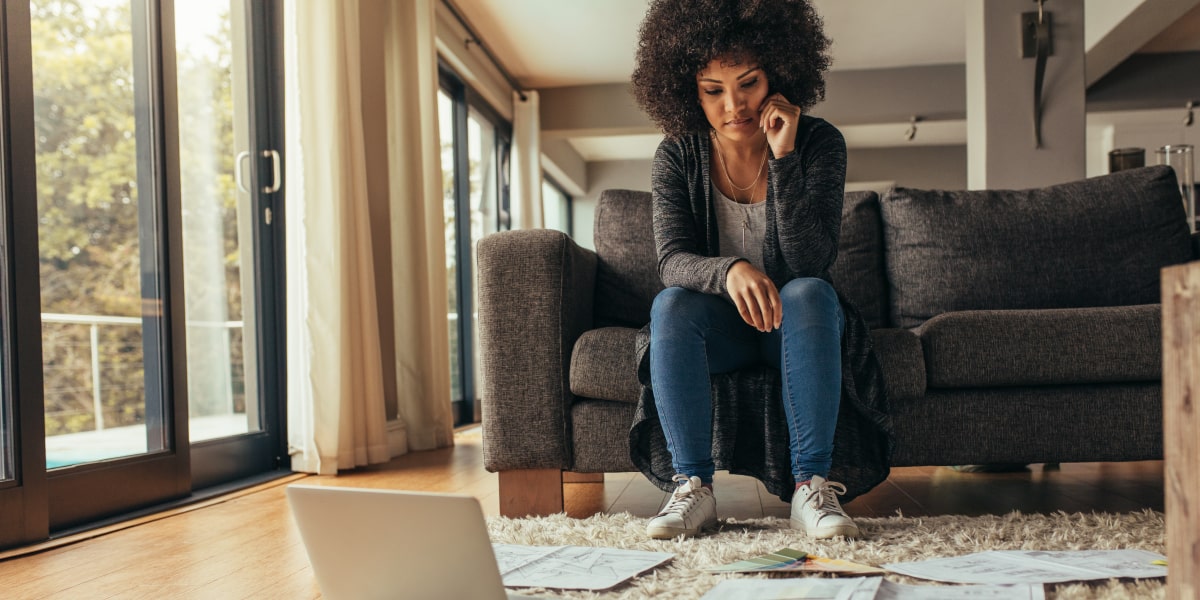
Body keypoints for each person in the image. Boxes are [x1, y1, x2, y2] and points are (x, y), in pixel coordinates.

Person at [628, 0, 892, 540]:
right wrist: (730, 270)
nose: (734, 105)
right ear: (688, 91)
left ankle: (810, 488)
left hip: (793, 328)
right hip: (717, 331)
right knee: (670, 304)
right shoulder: (678, 156)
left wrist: (786, 157)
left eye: (747, 83)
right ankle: (693, 488)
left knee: (812, 292)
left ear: (778, 70)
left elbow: (809, 262)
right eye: (713, 90)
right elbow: (671, 260)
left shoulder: (820, 143)